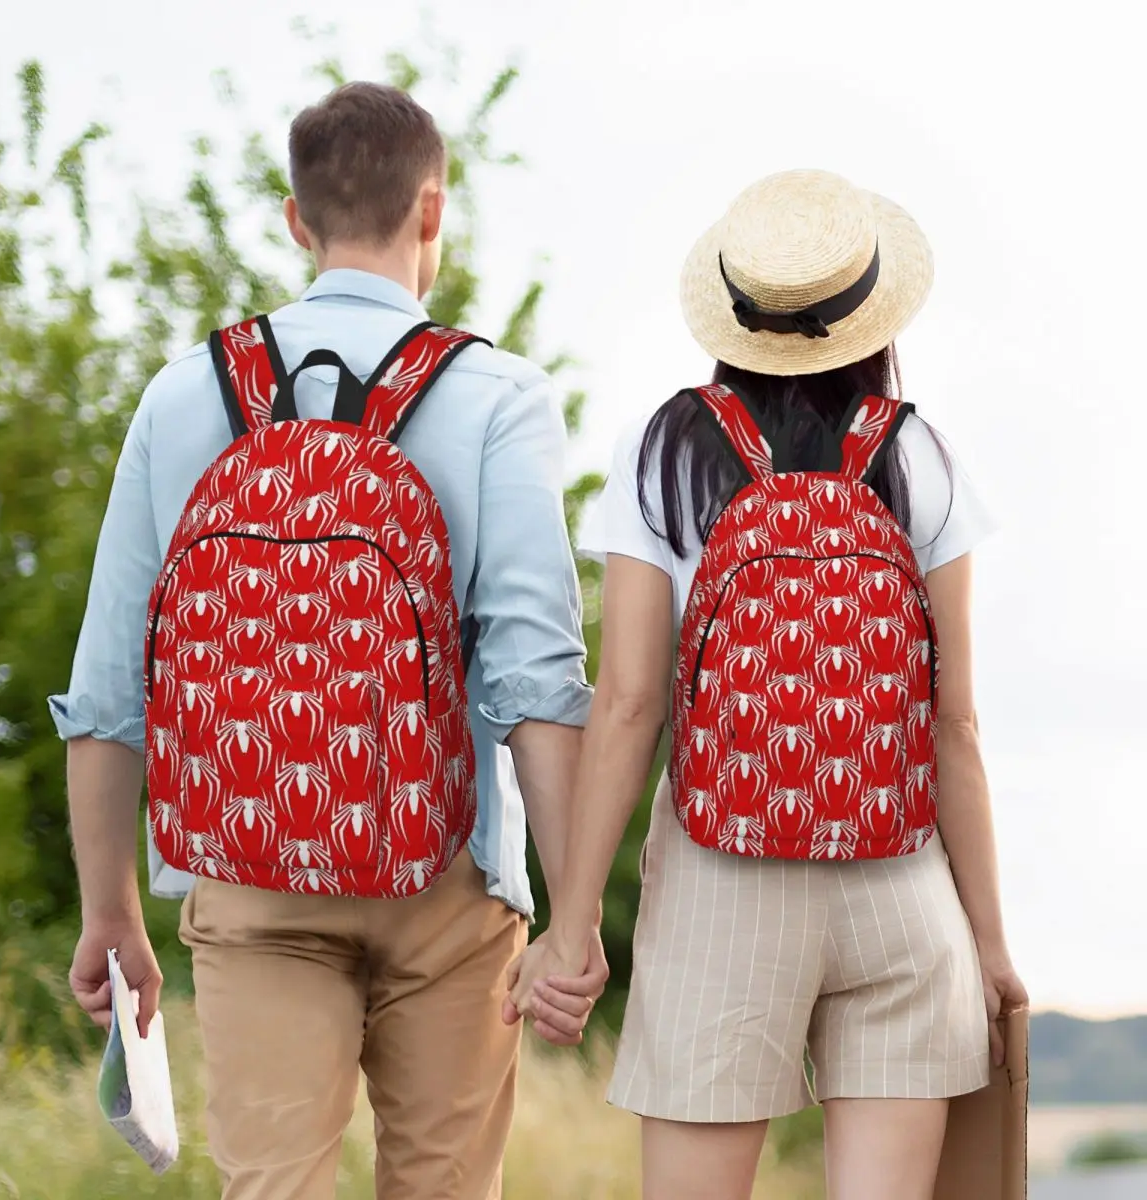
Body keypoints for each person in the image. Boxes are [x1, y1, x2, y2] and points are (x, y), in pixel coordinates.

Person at [52, 81, 607, 1200]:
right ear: (433, 213)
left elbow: (111, 684)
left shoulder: (183, 395)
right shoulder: (497, 395)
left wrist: (109, 910)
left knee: (272, 1187)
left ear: (296, 219)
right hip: (447, 870)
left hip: (247, 871)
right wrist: (574, 916)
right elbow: (536, 679)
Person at [507, 169, 1028, 1200]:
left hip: (720, 879)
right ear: (872, 315)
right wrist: (990, 944)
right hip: (902, 883)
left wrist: (571, 928)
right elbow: (954, 723)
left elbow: (629, 706)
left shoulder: (664, 451)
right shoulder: (920, 456)